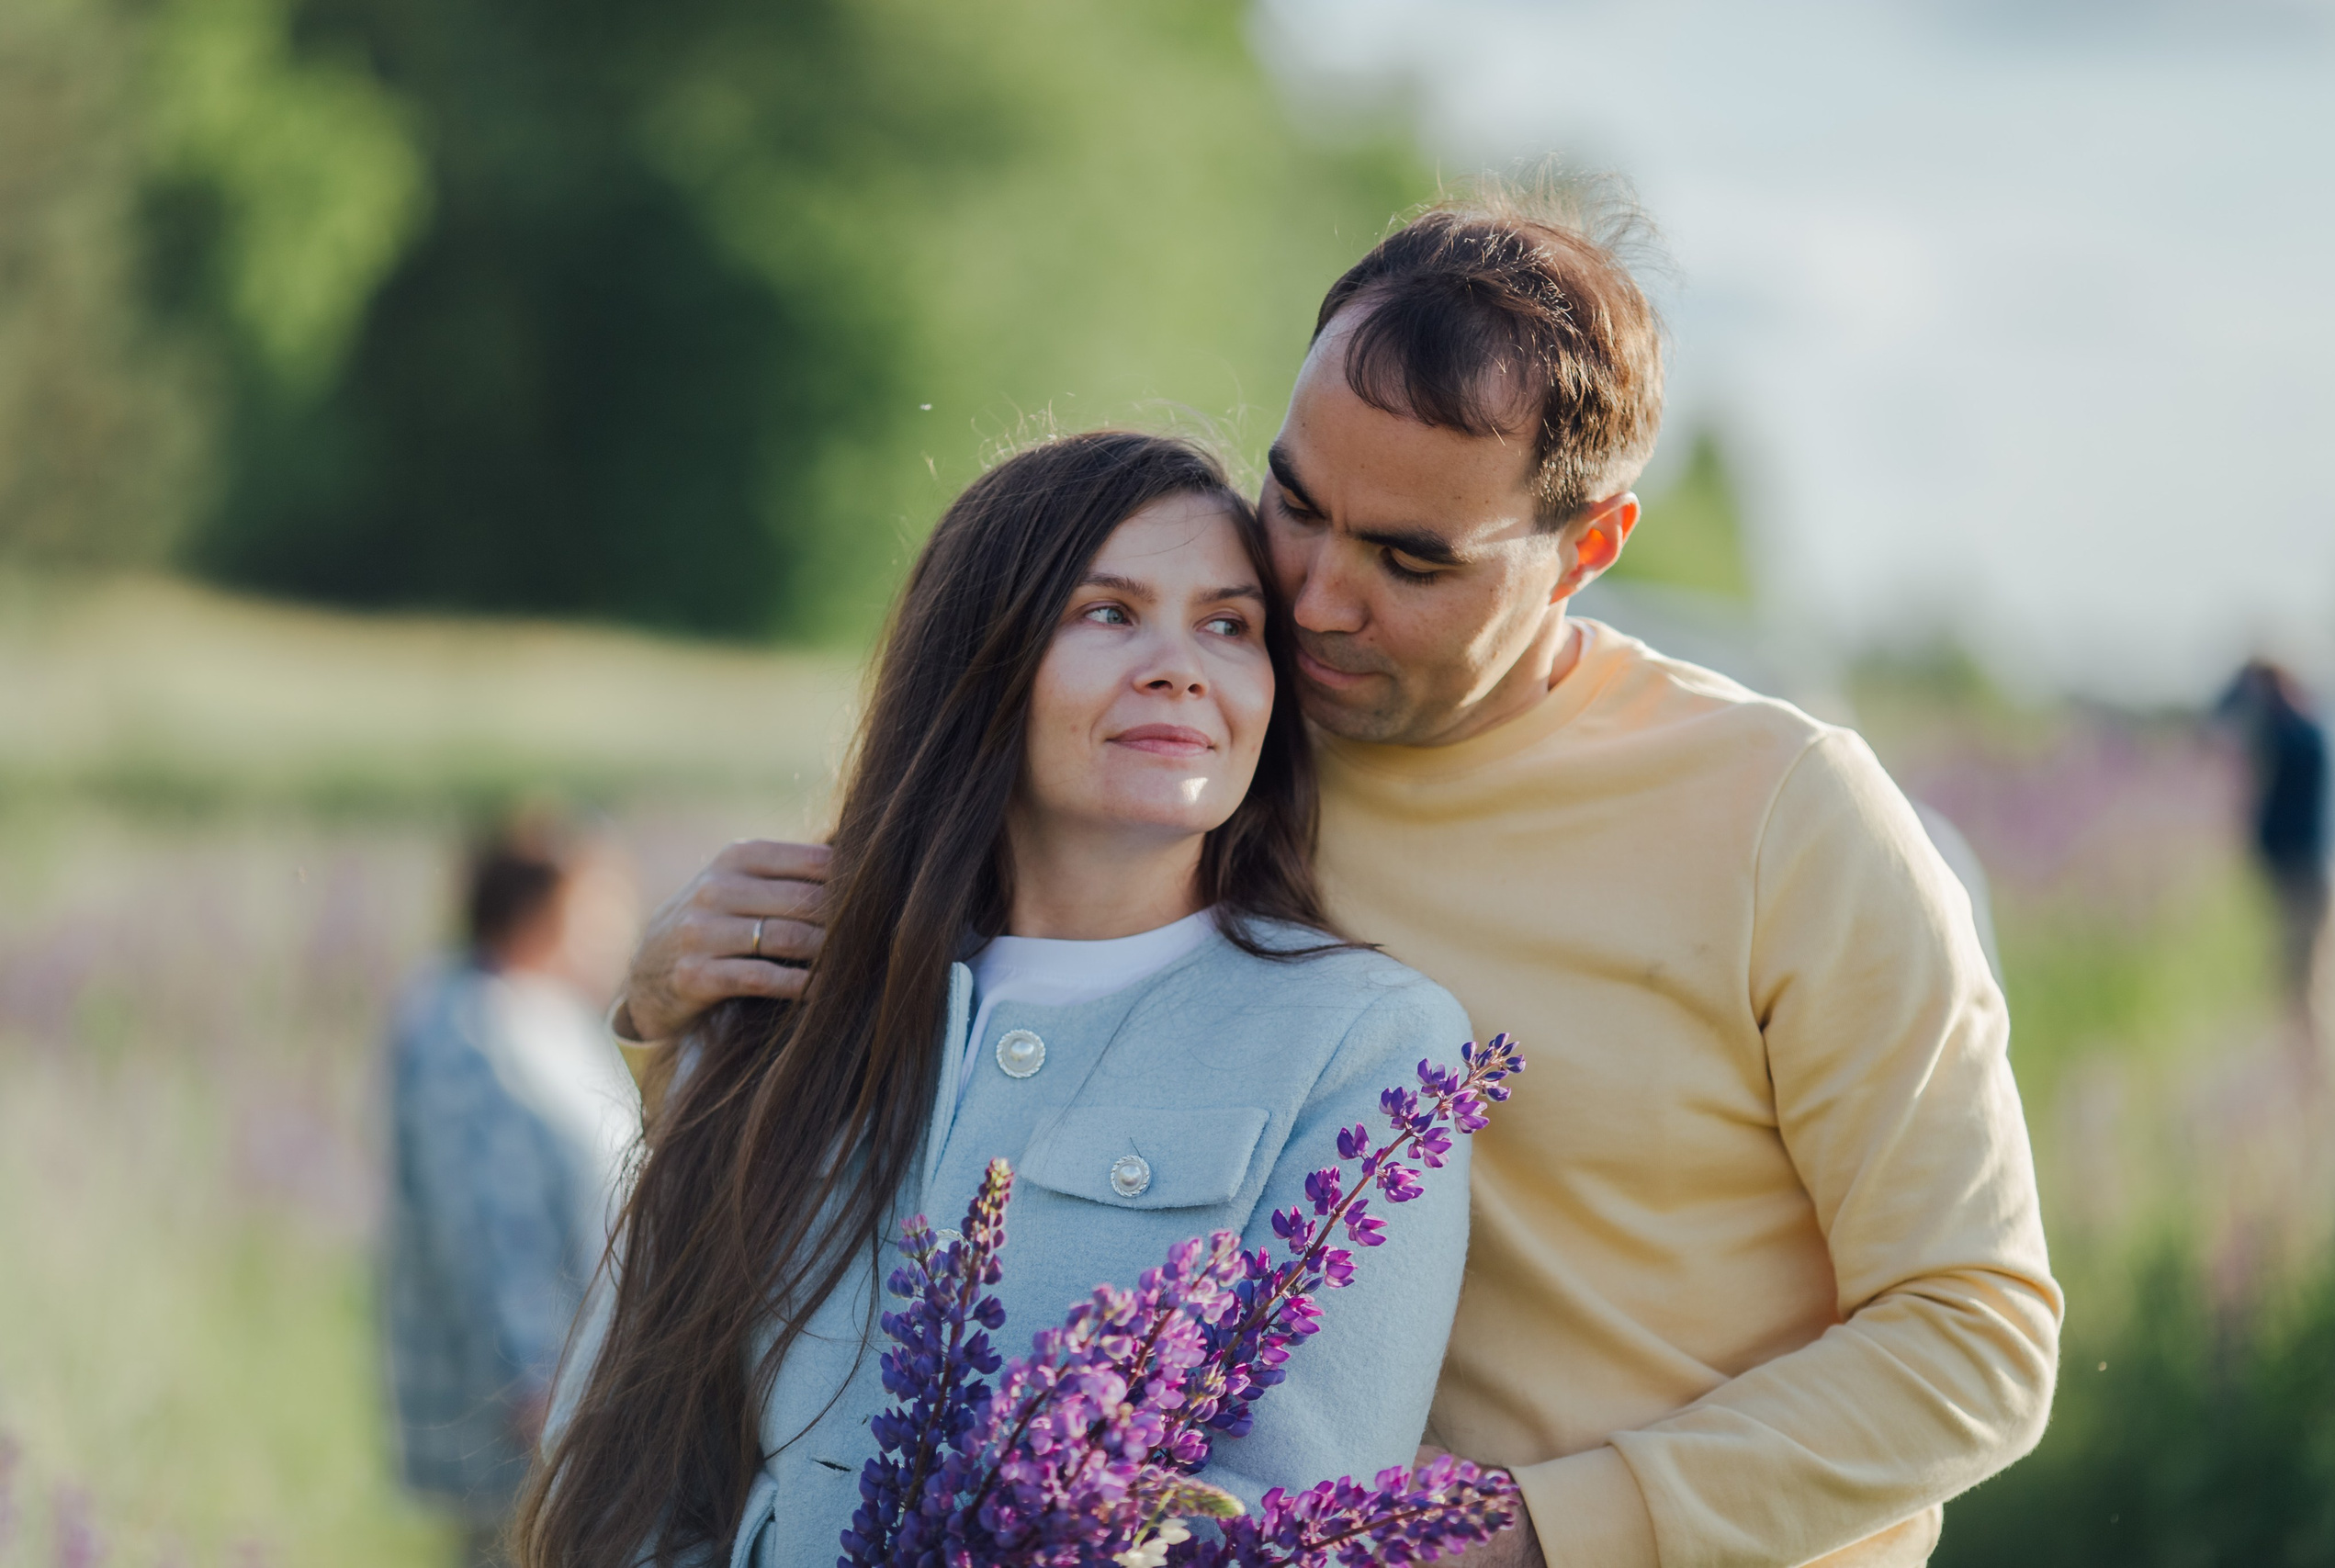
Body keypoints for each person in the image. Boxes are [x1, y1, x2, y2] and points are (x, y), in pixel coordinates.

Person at [613, 188, 2062, 1568]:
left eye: (1410, 559)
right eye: (1296, 504)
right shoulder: (1225, 739)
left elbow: (1979, 1334)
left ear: (1588, 549)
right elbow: (936, 1115)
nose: (1314, 595)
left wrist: (1536, 1530)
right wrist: (677, 1012)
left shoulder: (1788, 816)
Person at [518, 434, 1475, 1568]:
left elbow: (1283, 1521)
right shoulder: (788, 992)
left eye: (1229, 624)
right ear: (980, 660)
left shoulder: (1365, 1045)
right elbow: (621, 1464)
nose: (1181, 666)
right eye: (1108, 612)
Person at [384, 818, 643, 1567]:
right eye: (602, 910)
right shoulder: (473, 1036)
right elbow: (489, 1228)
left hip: (569, 1402)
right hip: (528, 1421)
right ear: (545, 912)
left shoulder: (537, 1016)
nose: (620, 934)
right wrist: (539, 1390)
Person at [2218, 658, 2334, 1033]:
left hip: (2303, 874)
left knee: (2302, 978)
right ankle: (2305, 1064)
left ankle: (2310, 1069)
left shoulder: (2296, 735)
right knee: (2298, 974)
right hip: (2301, 873)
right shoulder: (2300, 731)